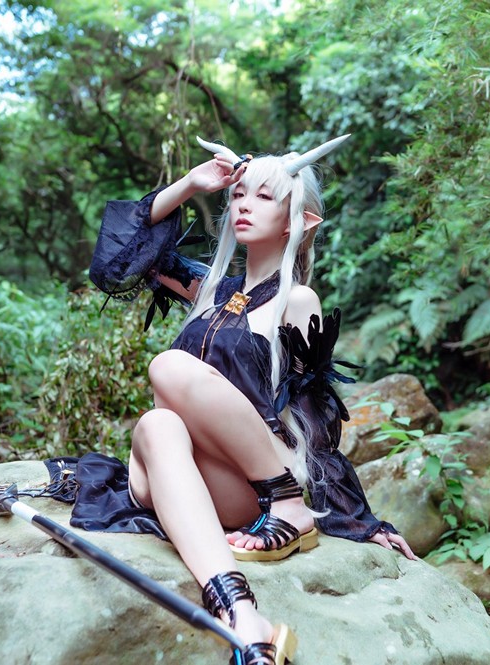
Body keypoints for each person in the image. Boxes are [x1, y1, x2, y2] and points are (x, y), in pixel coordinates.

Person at [53, 135, 414, 665]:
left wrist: (359, 519)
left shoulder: (297, 300)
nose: (244, 204)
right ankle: (245, 616)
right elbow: (113, 266)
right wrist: (191, 184)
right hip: (172, 471)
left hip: (247, 487)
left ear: (299, 222)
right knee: (156, 425)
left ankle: (276, 528)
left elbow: (314, 419)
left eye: (264, 196)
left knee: (167, 369)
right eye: (239, 194)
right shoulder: (209, 289)